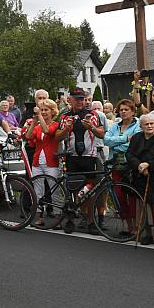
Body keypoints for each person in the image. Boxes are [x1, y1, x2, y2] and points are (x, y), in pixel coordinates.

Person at [59, 87, 103, 234]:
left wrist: (91, 127)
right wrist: (66, 129)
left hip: (88, 157)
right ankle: (71, 219)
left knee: (90, 190)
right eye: (77, 99)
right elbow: (57, 137)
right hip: (72, 157)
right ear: (70, 100)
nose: (80, 102)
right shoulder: (65, 116)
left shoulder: (93, 114)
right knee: (72, 190)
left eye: (82, 99)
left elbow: (102, 134)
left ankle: (91, 221)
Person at [127, 114, 154, 246]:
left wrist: (149, 165)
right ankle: (147, 234)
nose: (150, 126)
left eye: (152, 123)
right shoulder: (136, 138)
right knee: (143, 205)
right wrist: (139, 165)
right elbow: (129, 154)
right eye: (146, 124)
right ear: (141, 126)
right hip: (140, 177)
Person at [103, 99, 141, 235]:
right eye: (121, 109)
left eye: (127, 109)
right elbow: (106, 140)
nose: (123, 112)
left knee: (131, 197)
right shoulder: (114, 126)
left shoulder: (137, 125)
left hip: (130, 165)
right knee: (119, 196)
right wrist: (125, 139)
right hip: (115, 164)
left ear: (133, 111)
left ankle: (135, 227)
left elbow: (135, 143)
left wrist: (116, 143)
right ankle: (127, 224)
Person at [25, 99, 61, 227]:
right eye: (42, 110)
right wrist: (34, 123)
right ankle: (39, 216)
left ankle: (58, 217)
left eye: (46, 110)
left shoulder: (56, 125)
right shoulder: (38, 126)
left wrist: (39, 117)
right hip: (37, 162)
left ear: (52, 111)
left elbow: (48, 131)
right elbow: (28, 137)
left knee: (54, 190)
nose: (44, 112)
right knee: (38, 191)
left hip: (51, 162)